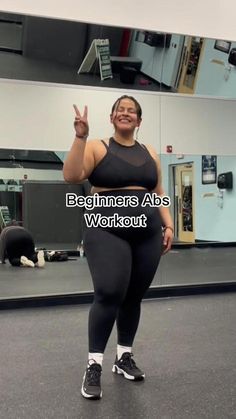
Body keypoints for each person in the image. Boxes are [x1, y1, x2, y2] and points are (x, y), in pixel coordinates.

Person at [63, 95, 174, 400]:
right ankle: (94, 364)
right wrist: (80, 136)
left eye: (132, 111)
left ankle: (123, 357)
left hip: (147, 233)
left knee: (133, 296)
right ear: (112, 118)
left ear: (139, 121)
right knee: (110, 292)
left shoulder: (150, 152)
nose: (126, 114)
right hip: (106, 229)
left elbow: (158, 191)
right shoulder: (98, 146)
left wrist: (169, 225)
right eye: (120, 110)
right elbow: (72, 175)